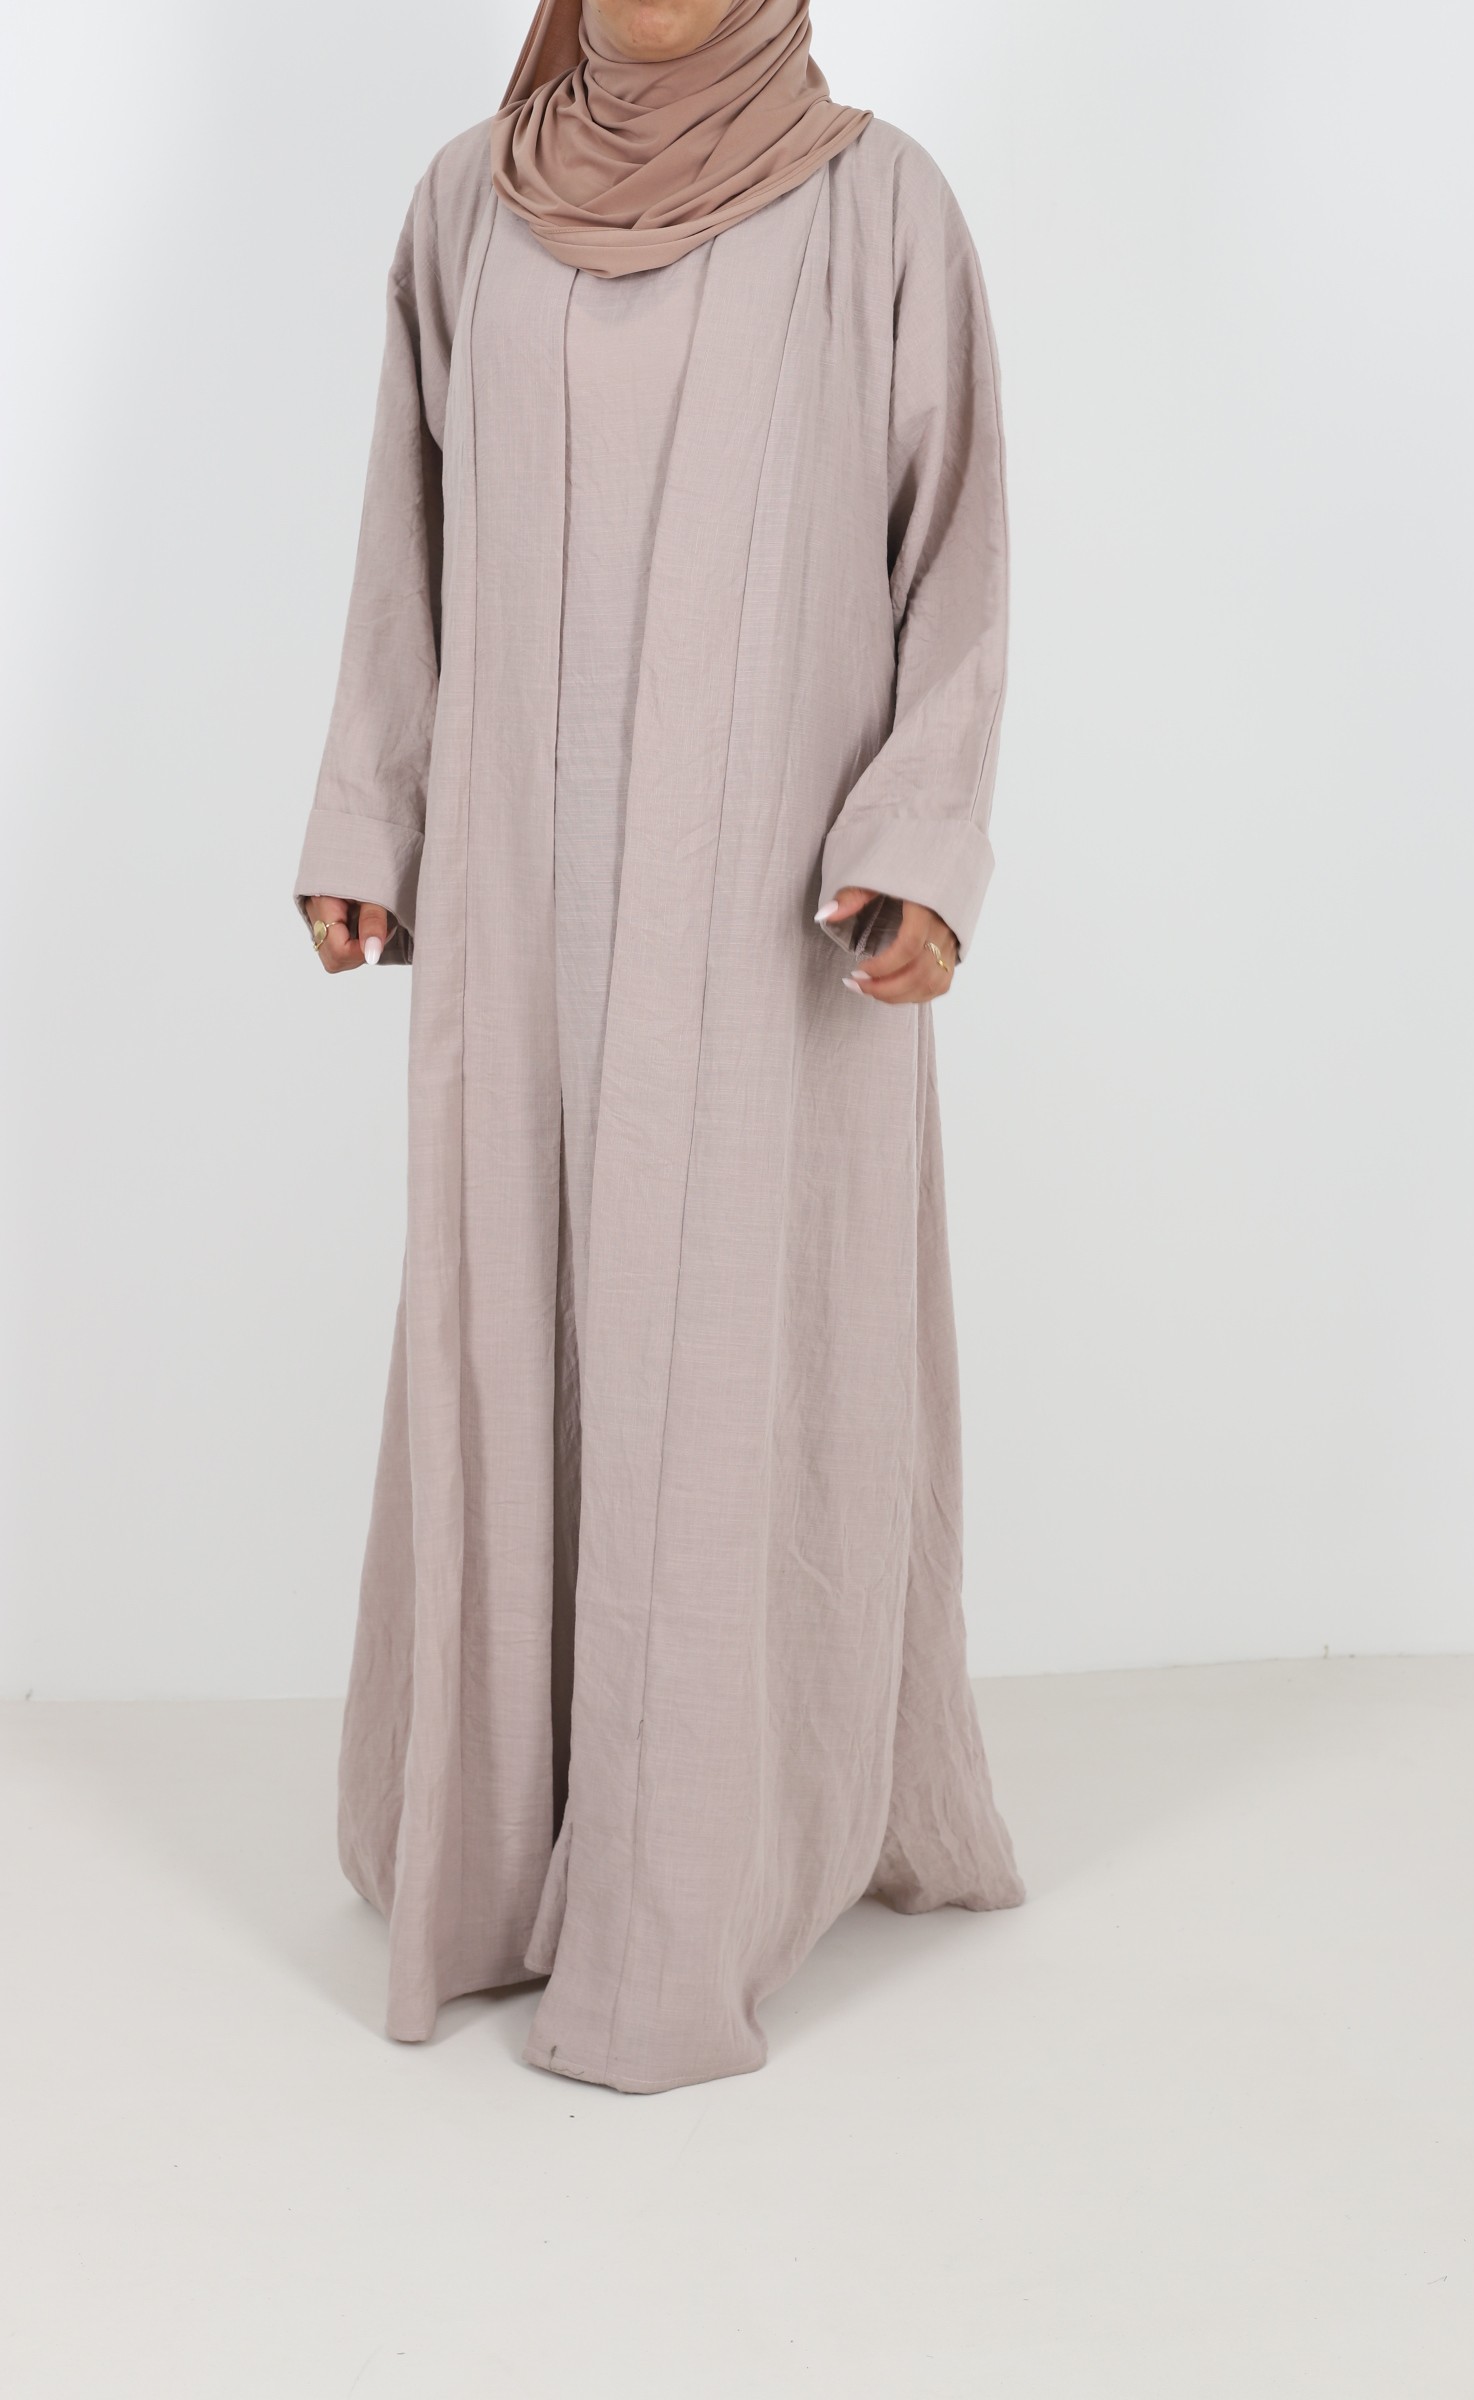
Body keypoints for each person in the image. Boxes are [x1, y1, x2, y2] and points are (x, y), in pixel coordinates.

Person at [294, 0, 1024, 2096]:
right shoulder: (468, 206)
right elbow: (405, 544)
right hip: (515, 902)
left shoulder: (879, 210)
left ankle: (687, 1880)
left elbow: (955, 563)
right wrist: (368, 820)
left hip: (770, 916)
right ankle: (493, 1855)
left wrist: (917, 848)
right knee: (512, 1333)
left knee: (719, 1363)